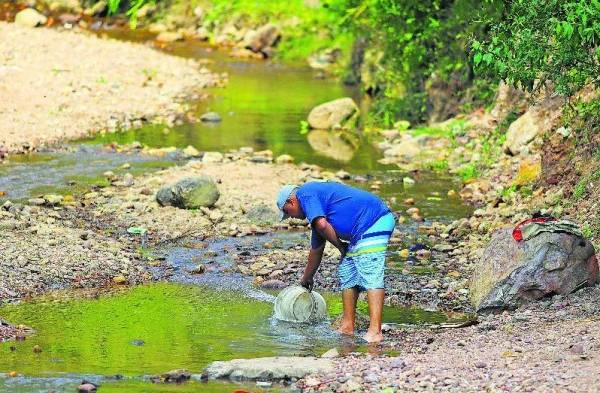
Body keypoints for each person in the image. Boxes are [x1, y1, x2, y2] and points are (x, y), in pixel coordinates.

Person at [276, 181, 396, 343]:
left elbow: (322, 224)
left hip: (373, 220)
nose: (290, 217)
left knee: (370, 269)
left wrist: (340, 246)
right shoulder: (316, 215)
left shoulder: (305, 193)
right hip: (358, 232)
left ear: (291, 201)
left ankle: (375, 331)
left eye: (287, 212)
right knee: (347, 271)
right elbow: (316, 250)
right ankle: (347, 326)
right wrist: (307, 278)